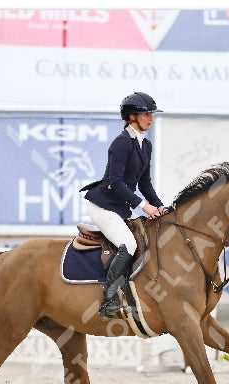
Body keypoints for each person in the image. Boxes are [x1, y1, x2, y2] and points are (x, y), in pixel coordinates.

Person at [80, 92, 168, 320]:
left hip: (119, 207)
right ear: (132, 116)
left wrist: (159, 206)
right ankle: (107, 303)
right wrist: (143, 207)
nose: (151, 118)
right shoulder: (121, 143)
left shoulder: (145, 145)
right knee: (128, 244)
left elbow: (145, 182)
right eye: (146, 114)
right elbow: (115, 182)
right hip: (103, 205)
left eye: (151, 114)